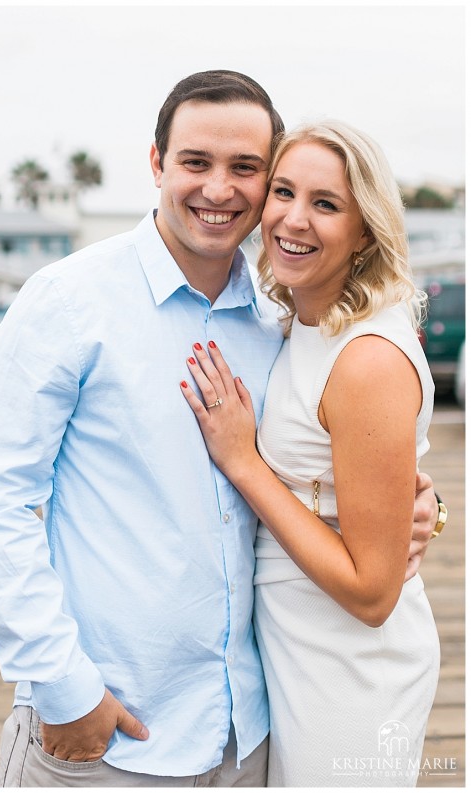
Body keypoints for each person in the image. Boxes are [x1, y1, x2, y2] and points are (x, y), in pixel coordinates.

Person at [0, 73, 440, 788]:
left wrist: (416, 506)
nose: (219, 188)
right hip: (109, 730)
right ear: (156, 164)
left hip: (249, 733)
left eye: (245, 168)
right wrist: (62, 686)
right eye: (194, 162)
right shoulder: (69, 301)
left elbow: (331, 461)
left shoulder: (276, 324)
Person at [180, 119, 441, 787]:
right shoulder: (300, 322)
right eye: (283, 192)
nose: (293, 219)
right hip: (291, 648)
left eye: (325, 204)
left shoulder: (366, 359)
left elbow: (372, 591)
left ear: (364, 231)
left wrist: (243, 462)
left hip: (350, 668)